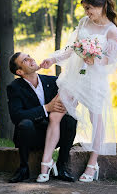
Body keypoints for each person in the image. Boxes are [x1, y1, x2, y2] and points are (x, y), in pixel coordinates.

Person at [37, 0, 117, 183]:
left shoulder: (111, 30)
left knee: (96, 121)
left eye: (89, 8)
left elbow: (111, 59)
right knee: (56, 114)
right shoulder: (84, 22)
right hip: (74, 77)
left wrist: (95, 60)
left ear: (101, 6)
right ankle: (46, 163)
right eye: (85, 9)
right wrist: (52, 59)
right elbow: (70, 48)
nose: (87, 12)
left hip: (94, 80)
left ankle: (93, 164)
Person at [7, 52, 77, 183]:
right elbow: (17, 116)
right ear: (20, 71)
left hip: (53, 134)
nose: (30, 59)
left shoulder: (53, 81)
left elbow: (70, 95)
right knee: (24, 124)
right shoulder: (14, 88)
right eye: (25, 60)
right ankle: (23, 169)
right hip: (32, 137)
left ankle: (61, 167)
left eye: (29, 56)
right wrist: (46, 108)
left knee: (70, 121)